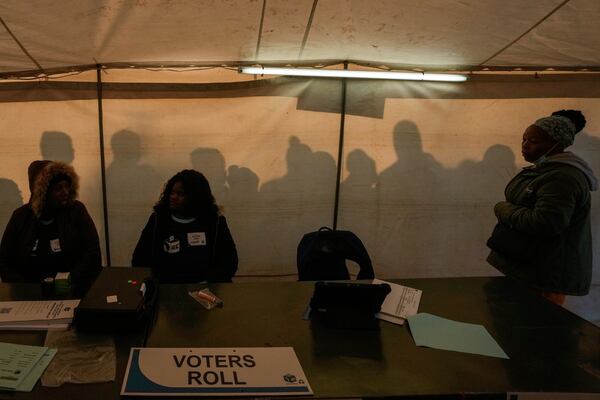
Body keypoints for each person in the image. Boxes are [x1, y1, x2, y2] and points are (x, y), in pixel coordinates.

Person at [487, 110, 597, 305]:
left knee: (538, 330)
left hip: (546, 274)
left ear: (556, 144)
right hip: (529, 265)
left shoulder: (563, 177)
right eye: (524, 139)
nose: (525, 145)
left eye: (534, 141)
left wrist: (502, 209)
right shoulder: (543, 170)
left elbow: (545, 222)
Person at [0, 161, 102, 296]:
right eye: (58, 188)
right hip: (28, 293)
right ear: (43, 192)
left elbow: (92, 251)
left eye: (67, 186)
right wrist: (23, 287)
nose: (65, 192)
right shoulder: (21, 217)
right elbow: (5, 259)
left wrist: (72, 279)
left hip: (73, 290)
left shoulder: (76, 211)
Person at [132, 169, 238, 283]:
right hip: (166, 290)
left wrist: (208, 282)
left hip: (205, 291)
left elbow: (229, 263)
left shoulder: (215, 222)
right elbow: (139, 260)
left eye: (180, 194)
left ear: (196, 197)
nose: (173, 197)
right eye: (171, 192)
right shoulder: (158, 220)